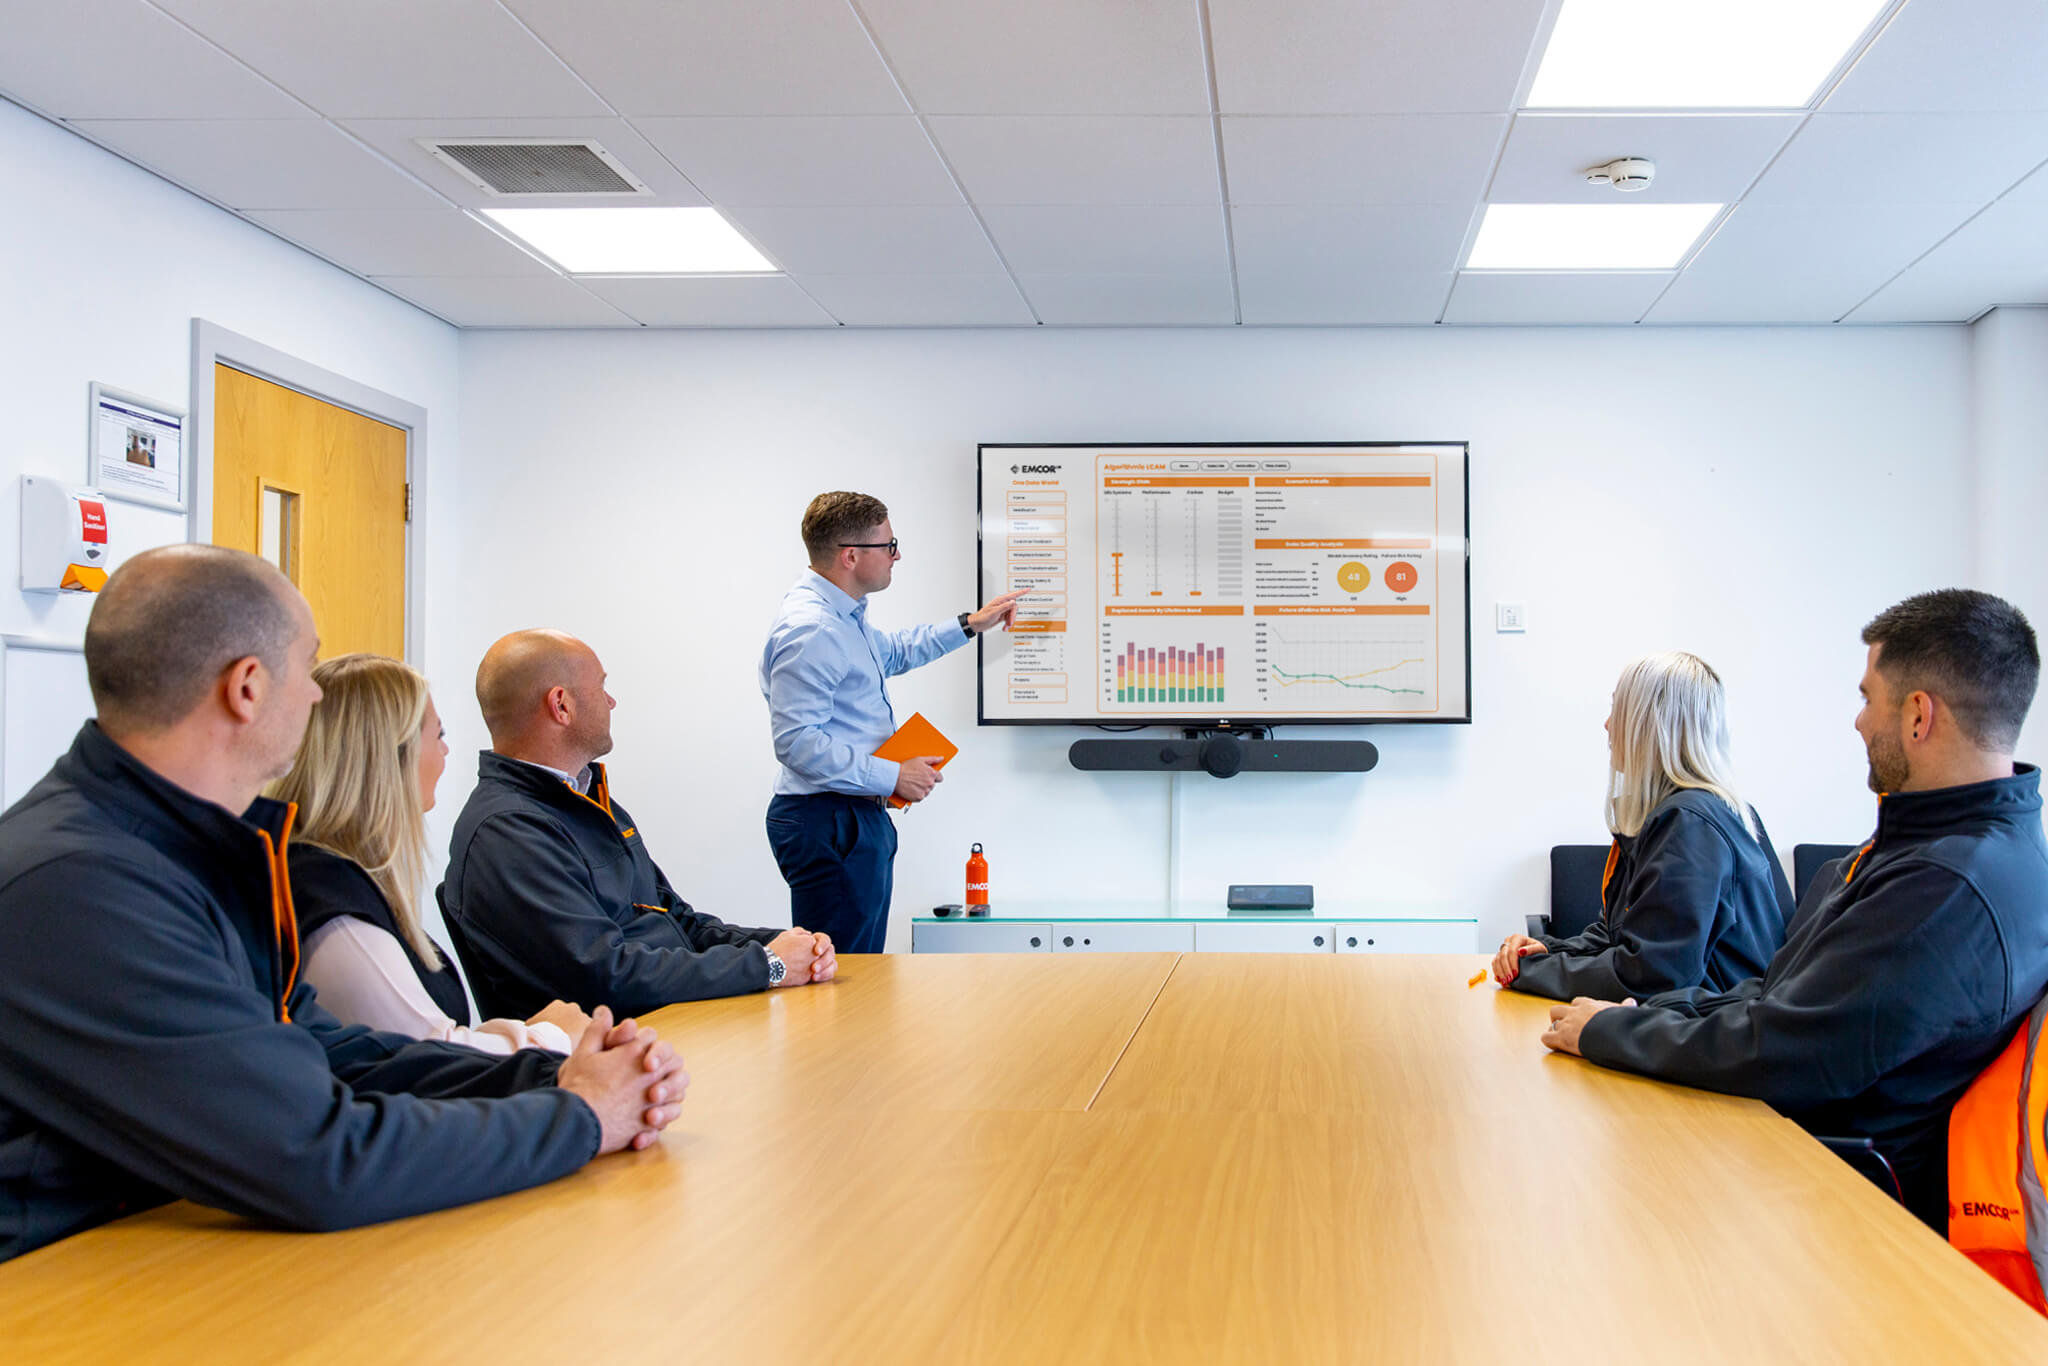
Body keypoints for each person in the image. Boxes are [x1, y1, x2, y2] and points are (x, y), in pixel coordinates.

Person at [0, 546, 686, 1263]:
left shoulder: (193, 852)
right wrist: (577, 1117)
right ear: (248, 688)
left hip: (156, 1253)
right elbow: (315, 1155)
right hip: (56, 1288)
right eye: (307, 667)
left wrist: (549, 1075)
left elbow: (329, 1054)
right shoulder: (86, 885)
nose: (318, 696)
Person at [1542, 590, 2048, 1231]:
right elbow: (1781, 993)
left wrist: (1612, 1032)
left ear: (1918, 715)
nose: (1858, 722)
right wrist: (1650, 1015)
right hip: (1799, 1156)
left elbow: (1790, 1049)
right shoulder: (1942, 849)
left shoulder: (1946, 886)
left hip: (1833, 1199)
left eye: (1868, 698)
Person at [441, 629, 833, 1020]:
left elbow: (678, 921)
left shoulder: (588, 802)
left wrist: (780, 945)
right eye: (602, 687)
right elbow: (604, 977)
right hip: (616, 1052)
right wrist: (766, 966)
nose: (612, 701)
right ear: (562, 705)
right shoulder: (507, 833)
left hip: (670, 1026)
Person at [269, 653, 591, 1054]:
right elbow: (430, 1054)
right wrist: (552, 1036)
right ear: (390, 754)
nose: (445, 752)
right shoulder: (330, 903)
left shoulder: (334, 876)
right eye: (438, 735)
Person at [759, 491, 1026, 953]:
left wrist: (970, 623)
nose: (897, 555)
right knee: (842, 975)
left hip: (850, 815)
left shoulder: (842, 619)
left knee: (853, 971)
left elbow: (895, 651)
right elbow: (798, 743)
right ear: (851, 556)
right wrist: (894, 774)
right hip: (831, 819)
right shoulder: (813, 630)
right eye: (889, 545)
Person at [1492, 652, 1792, 1000]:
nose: (1607, 725)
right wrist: (1547, 951)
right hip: (1696, 1026)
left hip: (1710, 1035)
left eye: (1617, 710)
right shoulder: (1684, 814)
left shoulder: (1689, 824)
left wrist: (1530, 972)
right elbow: (1618, 938)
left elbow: (1651, 976)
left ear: (1650, 724)